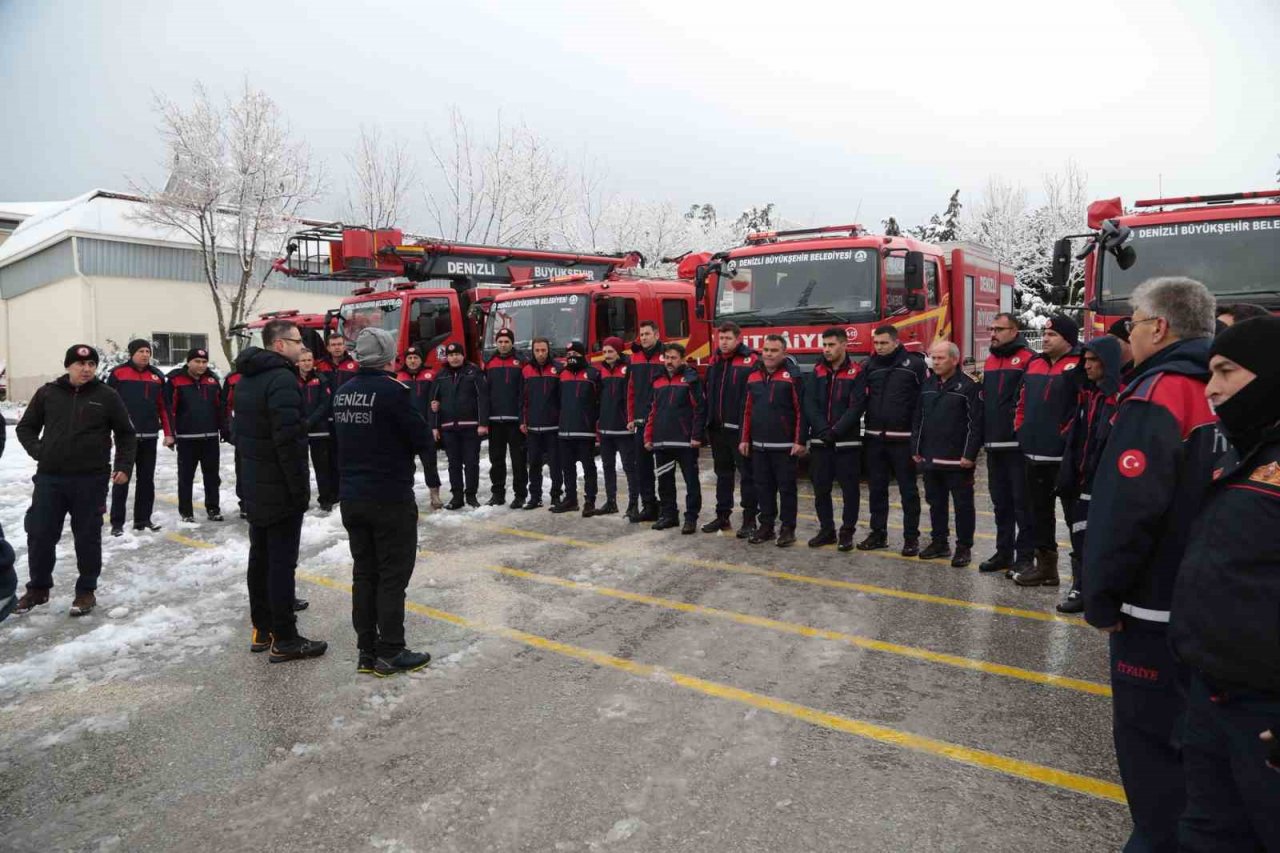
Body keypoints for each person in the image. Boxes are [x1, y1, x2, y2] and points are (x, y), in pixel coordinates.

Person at [1083, 277, 1218, 851]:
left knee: (1149, 745)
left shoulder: (1159, 392)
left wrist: (1101, 596)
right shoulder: (1224, 384)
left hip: (1153, 606)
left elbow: (1126, 509)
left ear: (1159, 327)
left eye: (1133, 324)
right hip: (1212, 600)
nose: (1128, 335)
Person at [1170, 315, 1280, 849]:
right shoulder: (1249, 450)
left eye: (1226, 371)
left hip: (1265, 719)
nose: (1210, 388)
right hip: (1213, 700)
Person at [333, 327, 433, 677]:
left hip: (353, 497)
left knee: (365, 574)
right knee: (392, 575)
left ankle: (367, 650)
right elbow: (422, 438)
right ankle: (391, 649)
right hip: (388, 497)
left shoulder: (343, 393)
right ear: (389, 355)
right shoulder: (394, 393)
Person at [14, 345, 136, 617]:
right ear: (68, 365)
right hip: (50, 478)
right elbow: (26, 428)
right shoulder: (48, 393)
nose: (86, 368)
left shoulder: (107, 396)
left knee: (87, 536)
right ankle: (38, 589)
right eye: (81, 363)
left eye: (91, 363)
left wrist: (124, 466)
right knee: (40, 533)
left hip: (90, 479)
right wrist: (40, 451)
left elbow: (126, 434)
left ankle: (86, 591)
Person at [233, 320, 326, 663]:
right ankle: (285, 637)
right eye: (298, 341)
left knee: (260, 558)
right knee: (280, 564)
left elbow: (240, 435)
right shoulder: (282, 379)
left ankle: (263, 628)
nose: (303, 347)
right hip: (278, 486)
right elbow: (289, 440)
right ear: (278, 345)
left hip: (256, 483)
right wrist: (299, 489)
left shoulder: (246, 379)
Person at [1011, 315, 1083, 586]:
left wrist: (1068, 437)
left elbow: (1083, 408)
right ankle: (1046, 568)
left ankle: (1080, 579)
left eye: (1052, 335)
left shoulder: (1080, 365)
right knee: (1039, 514)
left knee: (1074, 519)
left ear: (1067, 338)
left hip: (1065, 458)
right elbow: (1022, 400)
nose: (1046, 338)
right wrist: (1021, 428)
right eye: (1045, 333)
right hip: (1034, 454)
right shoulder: (1035, 364)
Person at [1053, 337, 1123, 614]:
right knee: (1078, 534)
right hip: (1076, 475)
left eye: (1094, 360)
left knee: (1097, 537)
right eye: (1085, 360)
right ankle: (1080, 586)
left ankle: (1096, 589)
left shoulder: (1118, 396)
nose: (1087, 365)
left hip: (1100, 480)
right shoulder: (1087, 392)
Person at [911, 341, 983, 567]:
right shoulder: (927, 385)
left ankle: (964, 547)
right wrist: (916, 449)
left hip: (958, 461)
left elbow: (976, 425)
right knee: (936, 503)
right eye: (933, 357)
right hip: (931, 458)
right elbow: (918, 420)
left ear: (954, 360)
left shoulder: (969, 386)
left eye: (941, 358)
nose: (936, 362)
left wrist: (969, 455)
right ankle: (939, 542)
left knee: (962, 506)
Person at [857, 324, 927, 556]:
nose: (879, 347)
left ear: (896, 342)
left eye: (884, 343)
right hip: (875, 438)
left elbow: (923, 401)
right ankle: (878, 534)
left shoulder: (914, 365)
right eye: (876, 343)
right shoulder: (869, 366)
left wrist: (919, 436)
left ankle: (911, 538)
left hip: (904, 440)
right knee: (877, 490)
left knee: (908, 491)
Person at [981, 313, 1036, 574]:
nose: (993, 333)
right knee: (1001, 503)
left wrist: (1021, 434)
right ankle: (1003, 552)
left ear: (1015, 331)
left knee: (1022, 504)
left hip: (1017, 446)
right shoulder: (990, 360)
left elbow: (1028, 402)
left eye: (999, 329)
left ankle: (1025, 556)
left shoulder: (1028, 359)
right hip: (993, 444)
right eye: (991, 328)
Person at [739, 335, 805, 547]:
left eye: (774, 350)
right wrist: (744, 439)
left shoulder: (793, 376)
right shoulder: (753, 377)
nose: (768, 354)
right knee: (763, 487)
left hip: (785, 446)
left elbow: (801, 411)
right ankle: (766, 526)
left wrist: (800, 440)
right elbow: (747, 411)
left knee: (786, 489)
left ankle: (788, 529)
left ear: (784, 353)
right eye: (766, 350)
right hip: (759, 446)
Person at [804, 327, 864, 551]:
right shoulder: (817, 371)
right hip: (821, 443)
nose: (826, 349)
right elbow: (809, 403)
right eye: (825, 345)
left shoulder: (857, 372)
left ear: (844, 345)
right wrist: (822, 430)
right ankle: (826, 530)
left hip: (847, 443)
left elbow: (857, 406)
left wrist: (836, 431)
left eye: (831, 345)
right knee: (821, 489)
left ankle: (847, 532)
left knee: (850, 490)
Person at [106, 338, 173, 535]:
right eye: (141, 351)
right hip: (125, 438)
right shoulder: (118, 374)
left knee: (146, 480)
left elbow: (164, 407)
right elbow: (107, 405)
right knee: (121, 478)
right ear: (132, 353)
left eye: (148, 351)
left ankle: (143, 520)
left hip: (150, 435)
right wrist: (107, 431)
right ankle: (117, 524)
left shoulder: (157, 377)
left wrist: (169, 433)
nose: (145, 354)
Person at [703, 322, 759, 537]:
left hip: (741, 431)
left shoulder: (751, 360)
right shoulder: (714, 360)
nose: (723, 342)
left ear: (738, 339)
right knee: (723, 475)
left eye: (728, 338)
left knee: (747, 476)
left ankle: (749, 519)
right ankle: (722, 516)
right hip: (718, 430)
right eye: (721, 338)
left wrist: (748, 430)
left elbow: (753, 397)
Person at [644, 342, 705, 534]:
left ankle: (691, 518)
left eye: (674, 358)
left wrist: (696, 435)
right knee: (665, 482)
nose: (669, 362)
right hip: (662, 441)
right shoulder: (657, 380)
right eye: (667, 357)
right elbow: (652, 411)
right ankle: (669, 515)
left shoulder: (691, 379)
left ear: (683, 359)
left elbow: (700, 409)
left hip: (685, 442)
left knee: (691, 483)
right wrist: (648, 436)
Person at [166, 347, 224, 523]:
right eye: (197, 362)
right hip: (186, 438)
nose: (201, 365)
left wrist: (224, 429)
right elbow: (169, 409)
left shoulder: (212, 380)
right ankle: (186, 512)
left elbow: (220, 408)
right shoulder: (175, 381)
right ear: (188, 362)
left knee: (212, 477)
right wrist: (170, 434)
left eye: (204, 362)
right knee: (186, 477)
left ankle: (213, 509)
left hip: (210, 437)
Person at [431, 342, 488, 509]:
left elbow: (482, 399)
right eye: (450, 355)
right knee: (453, 464)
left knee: (471, 463)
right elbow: (434, 402)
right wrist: (435, 426)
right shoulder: (441, 375)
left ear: (463, 356)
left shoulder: (473, 372)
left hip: (471, 426)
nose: (454, 358)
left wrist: (483, 423)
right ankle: (457, 497)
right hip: (449, 428)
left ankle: (471, 496)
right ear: (446, 357)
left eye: (457, 354)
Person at [551, 340, 601, 516]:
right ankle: (571, 499)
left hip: (585, 430)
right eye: (569, 355)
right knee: (567, 467)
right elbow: (557, 401)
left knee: (588, 468)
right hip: (565, 430)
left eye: (575, 355)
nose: (572, 358)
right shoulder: (562, 375)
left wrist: (595, 425)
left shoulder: (593, 374)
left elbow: (599, 402)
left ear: (583, 355)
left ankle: (590, 500)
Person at [395, 346, 443, 510]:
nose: (413, 361)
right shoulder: (398, 377)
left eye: (416, 357)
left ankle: (434, 494)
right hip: (404, 430)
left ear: (421, 359)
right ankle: (405, 495)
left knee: (430, 463)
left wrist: (434, 425)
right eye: (410, 358)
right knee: (405, 465)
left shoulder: (431, 375)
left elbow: (435, 402)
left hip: (425, 428)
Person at [483, 329, 527, 508]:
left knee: (518, 461)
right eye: (500, 341)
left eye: (506, 341)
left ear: (512, 343)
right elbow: (484, 394)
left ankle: (520, 494)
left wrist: (523, 417)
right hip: (495, 421)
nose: (503, 344)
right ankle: (498, 494)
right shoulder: (489, 363)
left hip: (515, 421)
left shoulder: (521, 362)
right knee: (497, 460)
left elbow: (524, 393)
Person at [627, 320, 665, 522]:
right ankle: (649, 505)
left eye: (647, 334)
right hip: (641, 420)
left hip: (662, 421)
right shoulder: (635, 359)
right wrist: (631, 417)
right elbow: (631, 390)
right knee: (643, 467)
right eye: (641, 335)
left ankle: (667, 509)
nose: (643, 338)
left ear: (657, 335)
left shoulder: (666, 355)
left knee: (664, 468)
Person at [520, 337, 563, 510]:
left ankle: (556, 496)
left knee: (555, 465)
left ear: (548, 350)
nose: (540, 354)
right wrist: (523, 421)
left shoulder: (558, 369)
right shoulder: (526, 370)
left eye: (543, 350)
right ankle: (535, 497)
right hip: (533, 428)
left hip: (553, 428)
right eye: (537, 350)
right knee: (534, 464)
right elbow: (522, 399)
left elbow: (562, 399)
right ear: (533, 351)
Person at [596, 337, 634, 516]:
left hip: (623, 428)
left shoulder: (628, 369)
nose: (607, 355)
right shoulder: (600, 371)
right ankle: (611, 502)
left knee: (629, 467)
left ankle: (633, 503)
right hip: (605, 428)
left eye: (611, 351)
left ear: (619, 351)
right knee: (608, 467)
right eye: (604, 352)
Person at [297, 349, 337, 511]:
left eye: (309, 360)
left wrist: (310, 421)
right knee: (300, 468)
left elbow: (325, 404)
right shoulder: (292, 380)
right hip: (298, 430)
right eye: (303, 360)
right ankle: (302, 500)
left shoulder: (321, 379)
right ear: (297, 362)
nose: (307, 363)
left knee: (322, 467)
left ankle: (325, 499)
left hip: (319, 430)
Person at [222, 367, 245, 518]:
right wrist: (229, 430)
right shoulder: (233, 379)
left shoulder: (270, 376)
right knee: (243, 469)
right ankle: (245, 503)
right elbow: (226, 406)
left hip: (264, 431)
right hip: (242, 432)